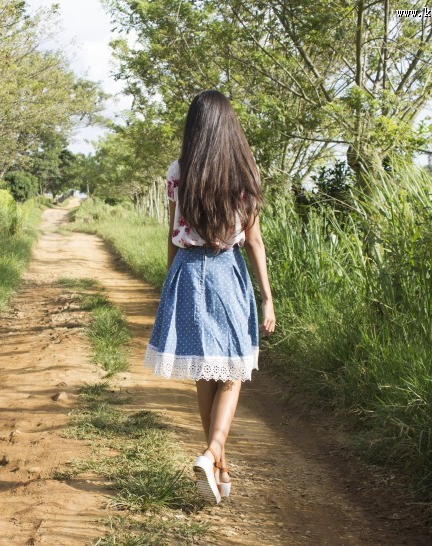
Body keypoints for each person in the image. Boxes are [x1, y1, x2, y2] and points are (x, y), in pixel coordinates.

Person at [143, 90, 276, 505]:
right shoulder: (244, 172)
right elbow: (253, 240)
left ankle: (218, 465)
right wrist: (268, 297)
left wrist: (169, 284)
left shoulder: (179, 170)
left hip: (186, 270)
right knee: (233, 372)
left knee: (207, 371)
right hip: (225, 271)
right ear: (229, 126)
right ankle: (213, 452)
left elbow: (171, 234)